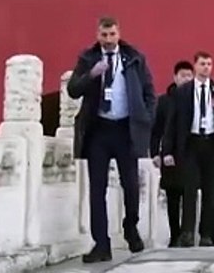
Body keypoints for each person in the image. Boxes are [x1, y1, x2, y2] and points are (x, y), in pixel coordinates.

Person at [66, 16, 156, 263]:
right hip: (99, 130)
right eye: (103, 35)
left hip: (126, 129)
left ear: (119, 34)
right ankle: (101, 244)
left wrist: (146, 118)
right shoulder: (88, 58)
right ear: (98, 35)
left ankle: (130, 226)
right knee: (97, 188)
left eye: (112, 35)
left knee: (131, 185)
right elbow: (73, 89)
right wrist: (91, 75)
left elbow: (149, 91)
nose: (107, 40)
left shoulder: (134, 58)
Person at [162, 50, 214, 247]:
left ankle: (206, 234)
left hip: (212, 143)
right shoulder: (183, 91)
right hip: (190, 144)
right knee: (190, 189)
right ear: (195, 66)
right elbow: (172, 121)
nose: (206, 68)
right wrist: (167, 150)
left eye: (209, 64)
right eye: (202, 64)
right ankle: (187, 232)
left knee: (211, 191)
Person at [151, 59, 194, 245]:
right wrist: (154, 153)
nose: (186, 79)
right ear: (175, 77)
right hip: (170, 156)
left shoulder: (197, 99)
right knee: (173, 197)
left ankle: (188, 234)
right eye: (182, 76)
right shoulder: (164, 101)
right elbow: (156, 129)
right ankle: (175, 234)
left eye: (189, 76)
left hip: (191, 155)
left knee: (190, 196)